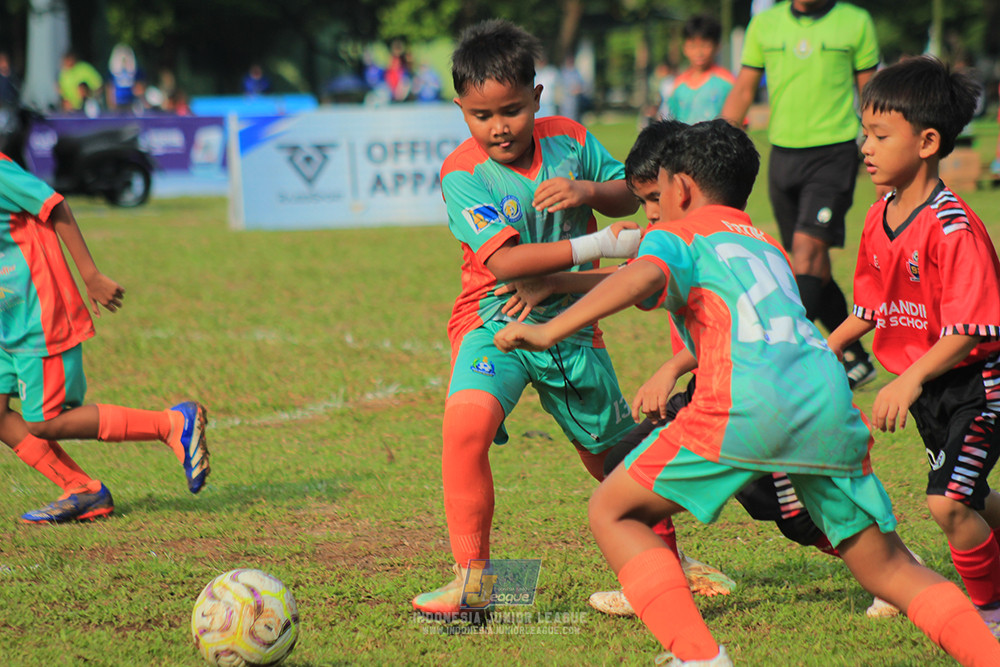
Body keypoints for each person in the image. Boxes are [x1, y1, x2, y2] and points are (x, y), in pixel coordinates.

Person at [495, 118, 1000, 667]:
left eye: (657, 194)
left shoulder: (678, 234)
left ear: (681, 188)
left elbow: (641, 275)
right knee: (891, 568)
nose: (653, 210)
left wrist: (549, 328)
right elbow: (653, 278)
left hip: (745, 402)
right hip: (826, 399)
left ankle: (700, 657)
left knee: (614, 511)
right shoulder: (761, 243)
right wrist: (565, 284)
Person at [410, 18, 642, 618]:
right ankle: (473, 581)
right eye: (480, 115)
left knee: (610, 456)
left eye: (511, 110)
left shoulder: (570, 138)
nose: (498, 127)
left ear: (537, 99)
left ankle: (667, 561)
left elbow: (629, 194)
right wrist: (600, 246)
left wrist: (586, 193)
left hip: (573, 318)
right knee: (465, 430)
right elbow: (507, 261)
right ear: (460, 109)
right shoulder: (462, 173)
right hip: (493, 318)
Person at [827, 55, 1000, 635]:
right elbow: (870, 309)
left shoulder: (953, 229)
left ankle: (989, 614)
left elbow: (971, 330)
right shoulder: (880, 215)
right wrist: (824, 349)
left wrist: (908, 378)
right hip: (926, 387)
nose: (865, 146)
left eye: (880, 135)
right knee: (968, 496)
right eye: (864, 132)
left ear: (927, 141)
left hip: (975, 385)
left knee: (947, 503)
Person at [0, 151, 211, 523]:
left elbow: (54, 204)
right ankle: (83, 491)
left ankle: (171, 424)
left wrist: (90, 274)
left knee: (44, 421)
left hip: (38, 309)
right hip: (6, 316)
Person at [721, 0, 879, 390]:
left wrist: (883, 150)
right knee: (811, 266)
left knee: (807, 253)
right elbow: (743, 87)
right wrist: (718, 142)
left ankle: (787, 363)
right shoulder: (765, 25)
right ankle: (857, 357)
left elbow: (872, 94)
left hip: (835, 152)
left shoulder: (855, 22)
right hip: (783, 154)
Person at [662, 15, 734, 124]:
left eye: (705, 46)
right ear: (684, 48)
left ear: (717, 46)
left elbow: (739, 123)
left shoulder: (727, 82)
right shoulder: (678, 85)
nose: (699, 53)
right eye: (693, 46)